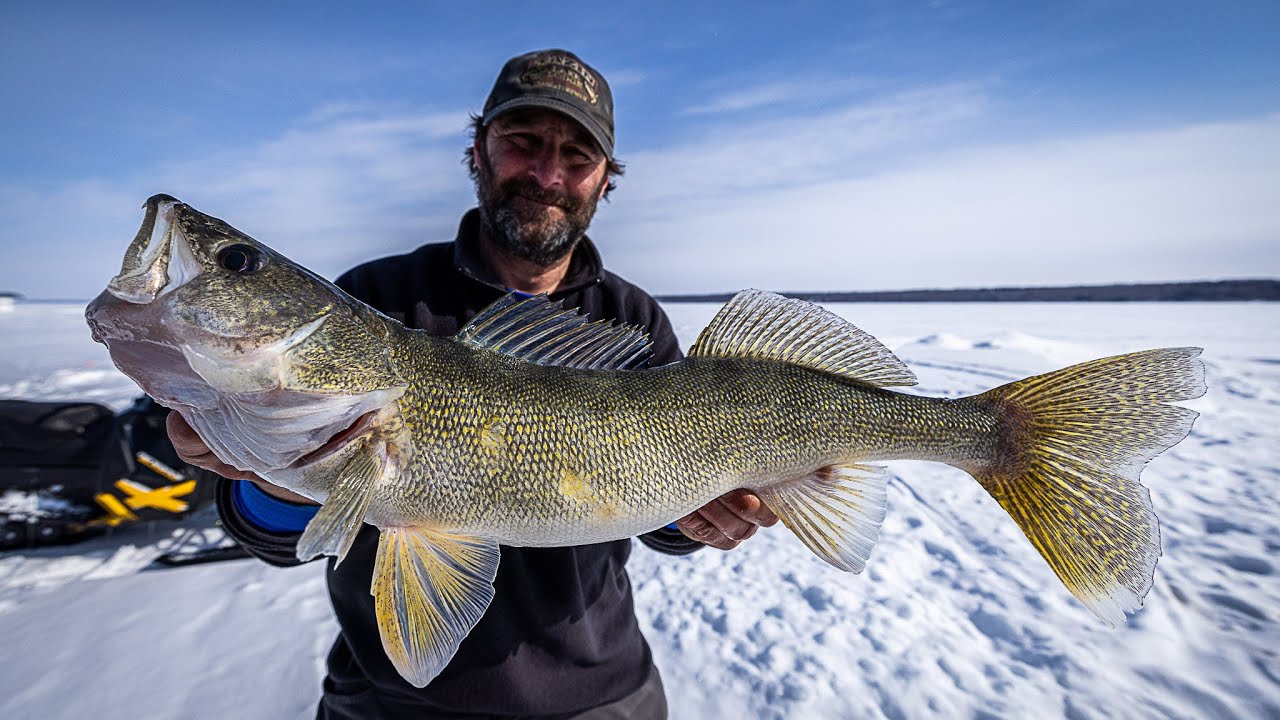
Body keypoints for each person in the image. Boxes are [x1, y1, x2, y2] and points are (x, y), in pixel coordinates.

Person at [167, 49, 778, 720]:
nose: (548, 174)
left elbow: (662, 524)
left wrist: (700, 517)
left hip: (601, 696)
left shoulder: (630, 320)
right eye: (523, 142)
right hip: (393, 701)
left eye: (577, 157)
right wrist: (275, 477)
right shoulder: (377, 300)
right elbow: (271, 537)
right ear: (478, 150)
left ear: (606, 181)